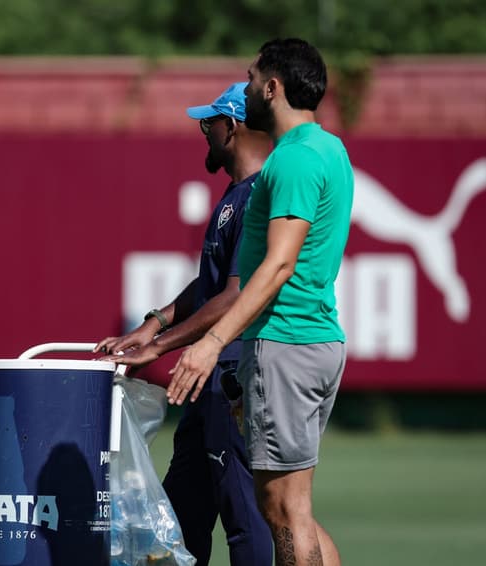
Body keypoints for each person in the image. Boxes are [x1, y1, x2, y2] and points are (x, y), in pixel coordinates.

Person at [166, 38, 354, 566]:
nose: (245, 88)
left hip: (285, 343)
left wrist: (212, 343)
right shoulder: (329, 148)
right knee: (295, 507)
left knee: (280, 509)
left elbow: (277, 265)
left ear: (272, 88)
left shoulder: (291, 161)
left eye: (251, 78)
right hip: (315, 340)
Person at [95, 83, 274, 565]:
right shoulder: (236, 194)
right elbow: (209, 287)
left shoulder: (259, 195)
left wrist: (158, 348)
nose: (205, 133)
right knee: (178, 517)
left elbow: (236, 295)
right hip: (207, 378)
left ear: (231, 126)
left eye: (208, 124)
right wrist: (152, 325)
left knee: (244, 515)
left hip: (232, 372)